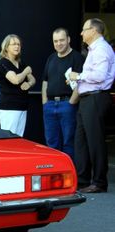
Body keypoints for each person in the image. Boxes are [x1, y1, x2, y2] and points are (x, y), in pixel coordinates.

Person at [69, 18, 115, 193]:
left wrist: (78, 77)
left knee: (95, 141)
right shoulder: (95, 49)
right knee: (81, 141)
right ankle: (83, 179)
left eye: (84, 30)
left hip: (96, 98)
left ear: (94, 31)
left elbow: (100, 76)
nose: (81, 33)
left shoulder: (102, 49)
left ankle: (99, 182)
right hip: (88, 98)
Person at [41, 27, 84, 159]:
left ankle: (68, 175)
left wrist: (72, 102)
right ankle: (54, 172)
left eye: (61, 40)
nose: (58, 43)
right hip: (49, 105)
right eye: (55, 41)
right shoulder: (51, 58)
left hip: (68, 105)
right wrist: (45, 102)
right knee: (51, 143)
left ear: (68, 40)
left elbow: (82, 81)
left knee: (68, 142)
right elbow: (45, 82)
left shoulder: (77, 58)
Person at [0, 34, 36, 136]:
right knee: (8, 139)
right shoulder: (3, 63)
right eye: (13, 44)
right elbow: (15, 80)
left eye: (18, 44)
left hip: (22, 106)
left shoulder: (20, 63)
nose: (17, 46)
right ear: (6, 47)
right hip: (9, 108)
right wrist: (26, 71)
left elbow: (33, 79)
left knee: (19, 139)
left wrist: (29, 83)